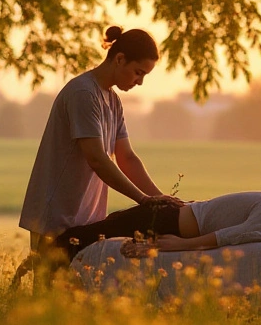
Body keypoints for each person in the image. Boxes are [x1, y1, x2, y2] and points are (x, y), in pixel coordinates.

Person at [18, 25, 182, 259]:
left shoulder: (113, 101)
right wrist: (143, 201)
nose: (140, 82)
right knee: (51, 291)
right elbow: (97, 158)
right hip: (56, 217)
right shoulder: (83, 93)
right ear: (120, 59)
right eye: (138, 72)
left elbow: (127, 157)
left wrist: (159, 200)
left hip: (87, 219)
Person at [55, 191, 261, 262]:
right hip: (172, 211)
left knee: (82, 237)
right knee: (94, 232)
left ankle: (44, 264)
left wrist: (177, 244)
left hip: (167, 220)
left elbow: (229, 236)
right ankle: (41, 266)